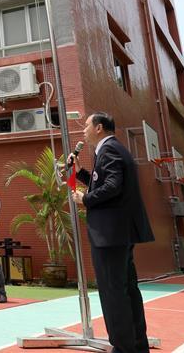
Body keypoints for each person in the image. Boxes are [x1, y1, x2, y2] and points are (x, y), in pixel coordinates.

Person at [70, 112, 154, 353]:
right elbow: (103, 181)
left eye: (86, 125)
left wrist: (85, 198)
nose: (83, 130)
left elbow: (111, 187)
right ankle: (137, 346)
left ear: (98, 128)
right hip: (118, 234)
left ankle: (123, 348)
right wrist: (81, 172)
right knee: (126, 290)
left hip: (110, 235)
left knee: (113, 293)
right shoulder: (112, 150)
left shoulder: (109, 150)